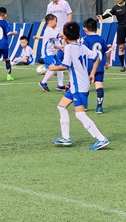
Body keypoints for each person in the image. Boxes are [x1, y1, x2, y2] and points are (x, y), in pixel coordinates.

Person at [49, 22, 110, 150]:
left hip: (79, 86)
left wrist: (53, 67)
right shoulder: (82, 46)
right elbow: (97, 58)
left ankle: (101, 138)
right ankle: (65, 137)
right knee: (61, 106)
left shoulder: (69, 48)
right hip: (77, 85)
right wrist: (92, 73)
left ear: (65, 36)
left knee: (80, 114)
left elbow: (65, 66)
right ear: (79, 35)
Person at [82, 18, 112, 114]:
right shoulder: (101, 39)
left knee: (86, 86)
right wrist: (107, 62)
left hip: (88, 66)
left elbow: (83, 53)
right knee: (99, 85)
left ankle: (84, 105)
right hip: (99, 66)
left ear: (86, 29)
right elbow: (108, 52)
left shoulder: (85, 39)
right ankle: (99, 107)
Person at [35, 14, 68, 92]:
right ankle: (43, 82)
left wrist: (59, 47)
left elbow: (51, 44)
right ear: (51, 21)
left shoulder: (50, 30)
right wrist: (70, 33)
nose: (56, 23)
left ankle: (60, 85)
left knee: (60, 66)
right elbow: (61, 35)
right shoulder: (49, 30)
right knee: (53, 67)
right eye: (55, 21)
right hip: (47, 53)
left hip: (51, 53)